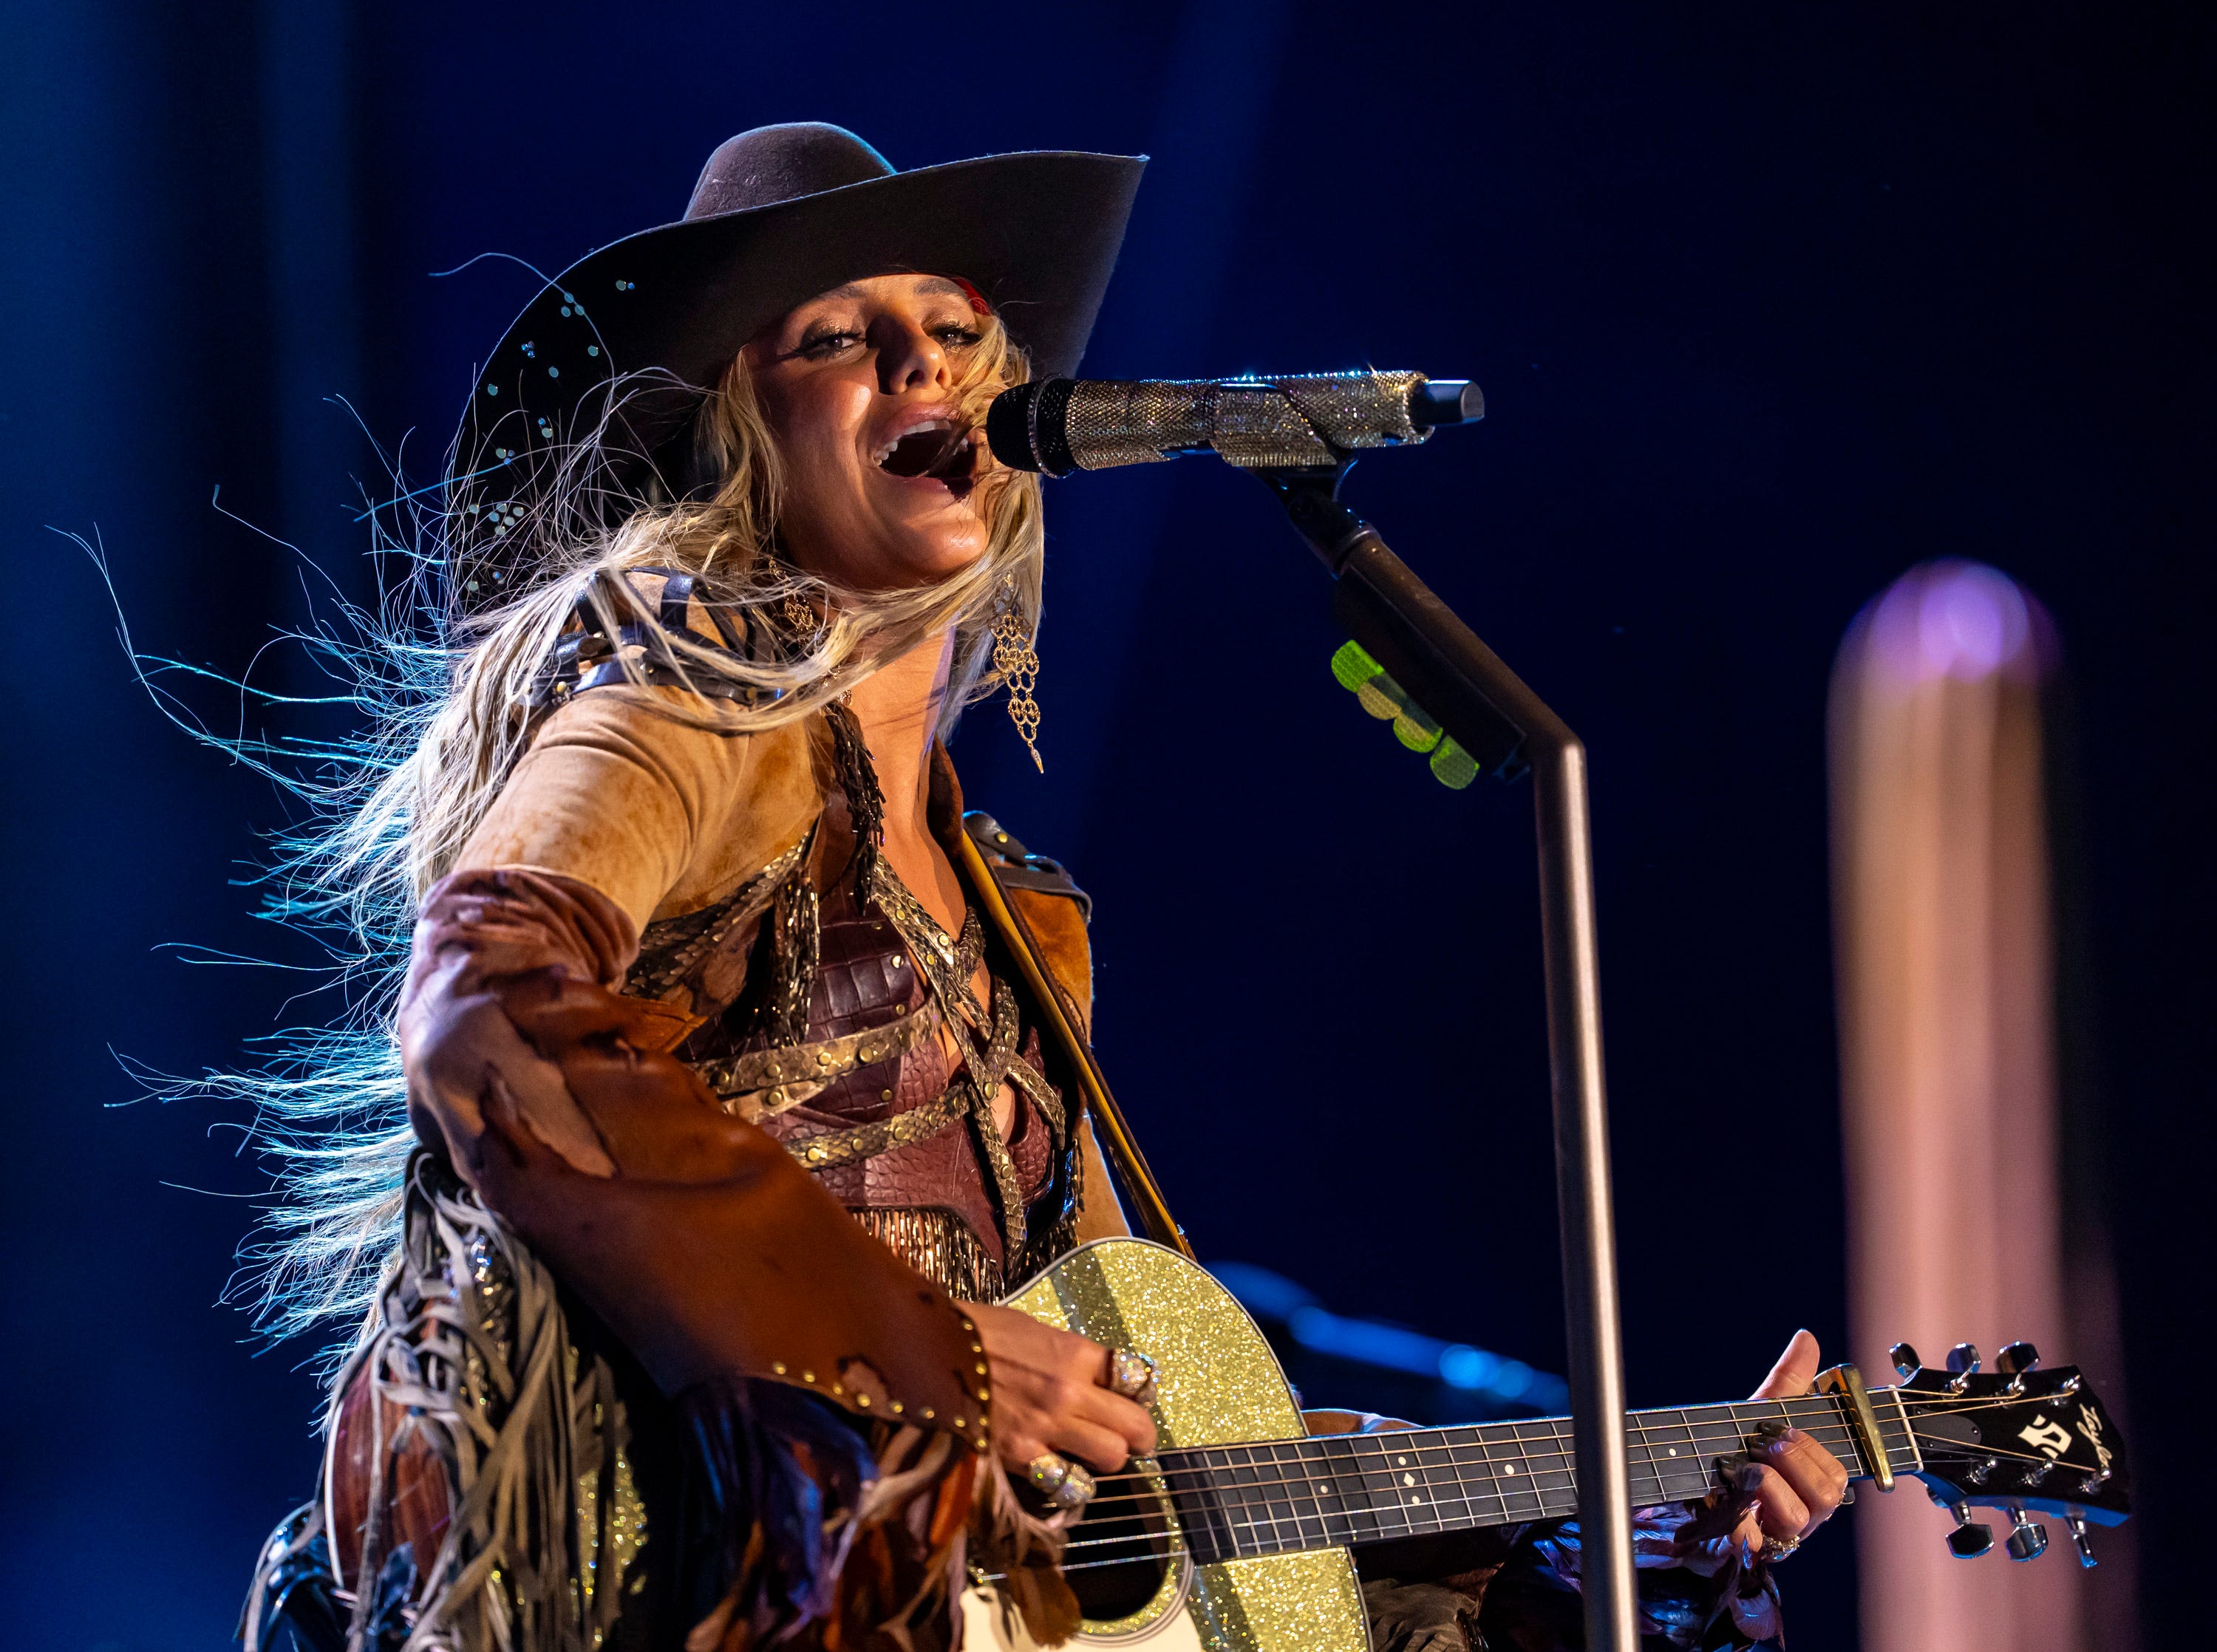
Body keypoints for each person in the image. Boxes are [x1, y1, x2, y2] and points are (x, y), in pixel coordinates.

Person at [238, 123, 1844, 1652]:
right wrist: (906, 1348)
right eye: (838, 336)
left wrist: (1615, 1537)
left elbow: (1153, 1439)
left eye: (953, 326)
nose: (921, 361)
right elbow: (490, 998)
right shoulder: (690, 681)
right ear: (739, 425)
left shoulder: (1017, 909)